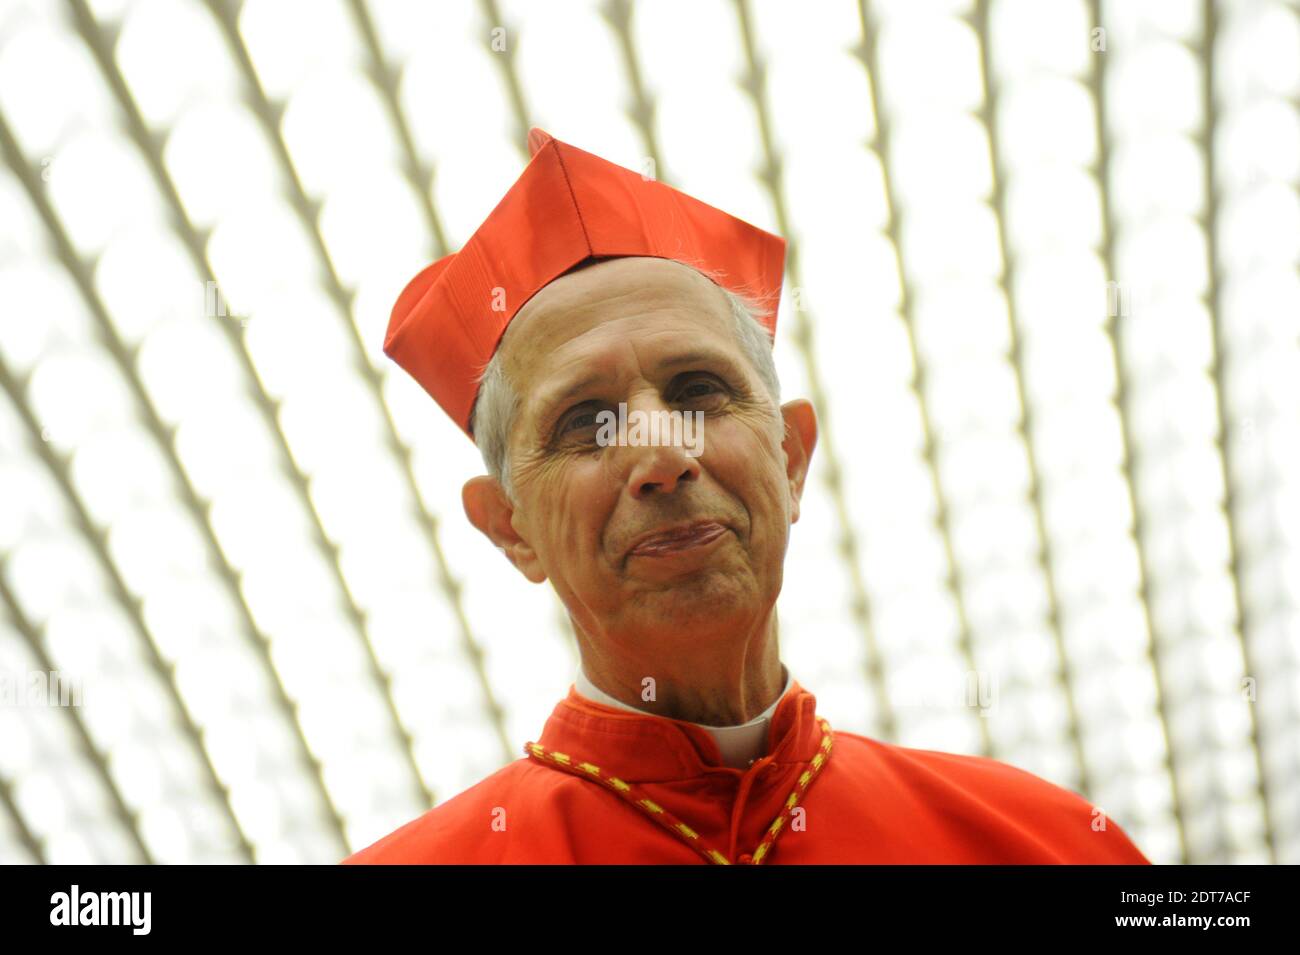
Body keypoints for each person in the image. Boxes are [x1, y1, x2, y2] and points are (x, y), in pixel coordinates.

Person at [344, 129, 1150, 864]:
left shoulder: (1041, 842)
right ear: (511, 529)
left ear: (791, 456)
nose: (661, 454)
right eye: (587, 422)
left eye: (698, 391)